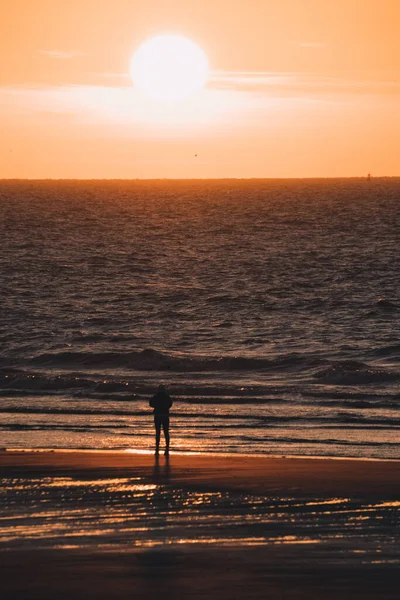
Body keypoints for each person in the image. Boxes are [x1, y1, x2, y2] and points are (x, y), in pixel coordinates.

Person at [150, 384, 173, 455]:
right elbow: (170, 404)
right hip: (165, 415)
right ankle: (167, 447)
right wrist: (165, 408)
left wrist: (157, 406)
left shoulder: (156, 396)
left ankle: (157, 447)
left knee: (158, 432)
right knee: (166, 432)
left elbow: (151, 404)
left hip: (158, 415)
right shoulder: (166, 397)